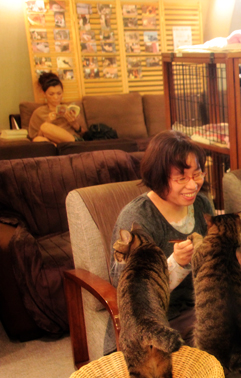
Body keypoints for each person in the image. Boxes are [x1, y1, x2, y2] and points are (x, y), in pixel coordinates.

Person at [104, 130, 214, 354]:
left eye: (198, 174)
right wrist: (176, 264)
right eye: (181, 178)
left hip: (200, 305)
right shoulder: (138, 218)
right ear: (158, 177)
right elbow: (126, 288)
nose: (193, 185)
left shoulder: (202, 205)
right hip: (156, 320)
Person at [29, 72, 84, 144]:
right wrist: (48, 121)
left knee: (45, 127)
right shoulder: (38, 113)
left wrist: (74, 124)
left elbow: (85, 134)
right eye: (51, 94)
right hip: (51, 143)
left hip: (71, 140)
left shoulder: (71, 109)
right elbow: (35, 139)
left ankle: (73, 143)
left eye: (59, 93)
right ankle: (56, 147)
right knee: (39, 137)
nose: (56, 97)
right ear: (44, 94)